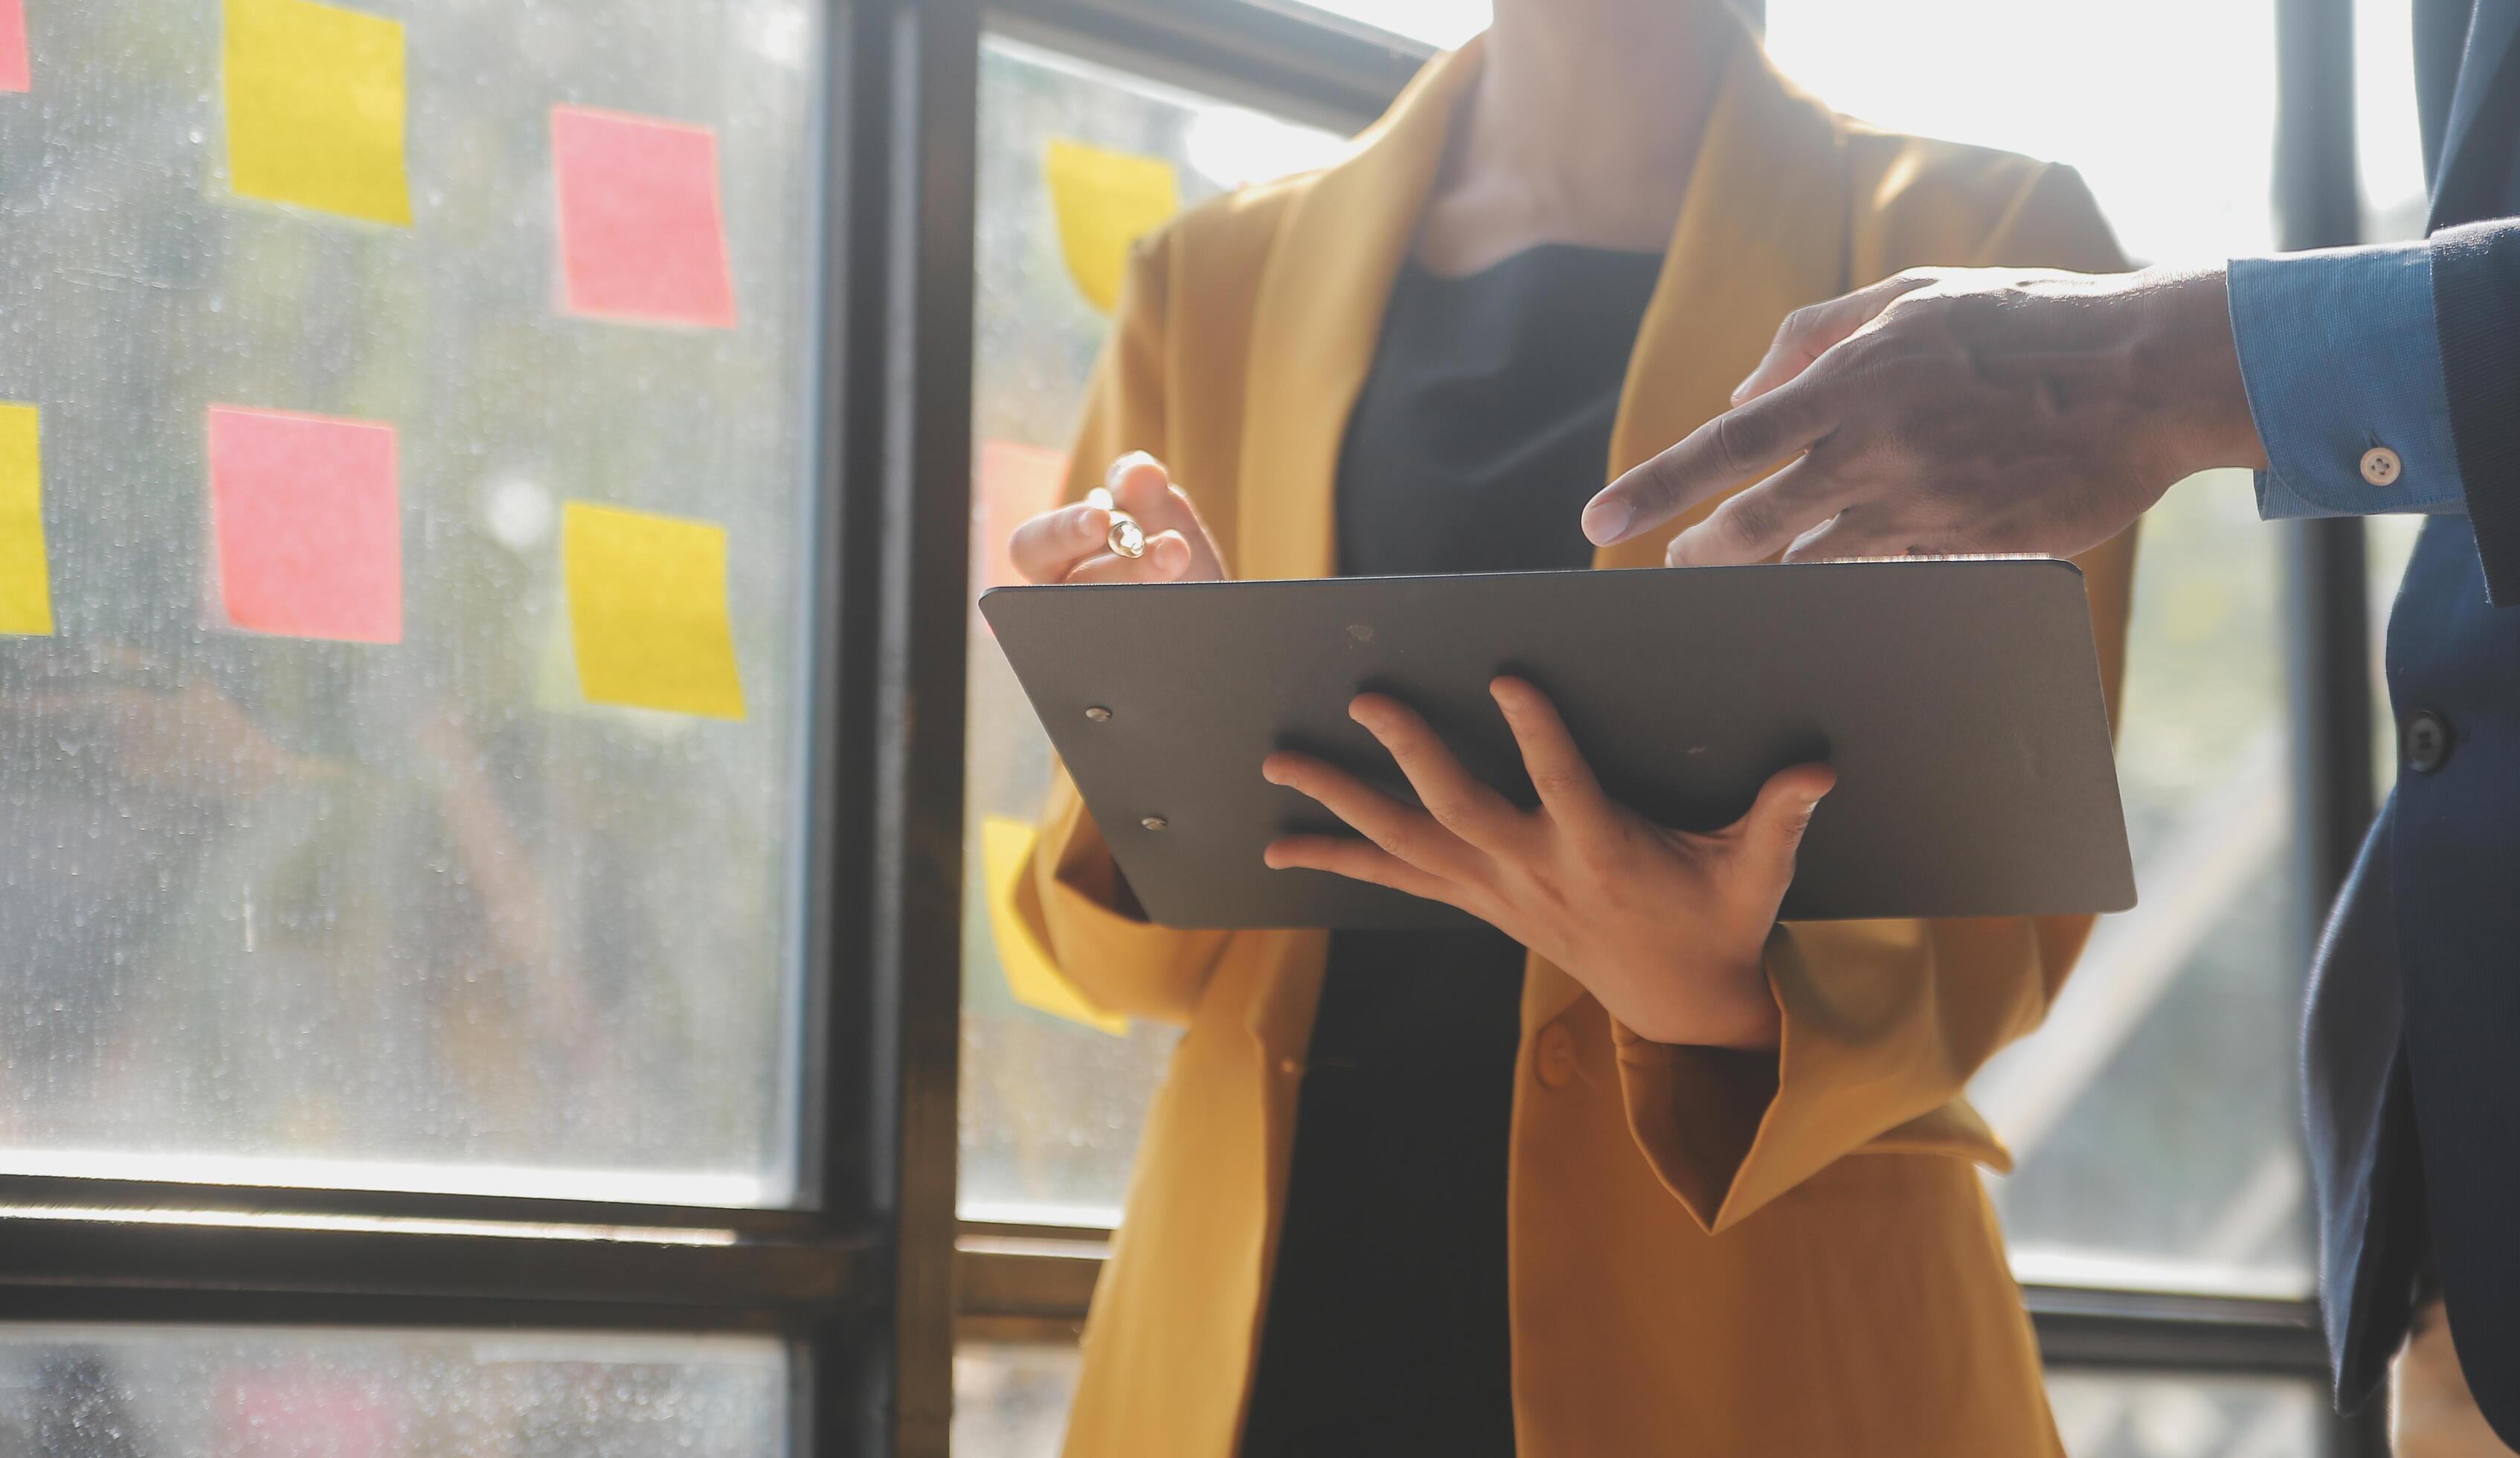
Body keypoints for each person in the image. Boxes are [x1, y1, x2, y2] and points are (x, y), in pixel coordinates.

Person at [994, 2, 2137, 1454]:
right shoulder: (1207, 279)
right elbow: (1111, 953)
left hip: (1762, 1335)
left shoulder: (1993, 247)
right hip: (1269, 1325)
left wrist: (1714, 1000)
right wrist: (1161, 739)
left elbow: (1997, 923)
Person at [1581, 0, 2520, 1445]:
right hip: (2459, 1209)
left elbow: (1977, 936)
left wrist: (2160, 368)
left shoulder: (1974, 204)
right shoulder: (1222, 268)